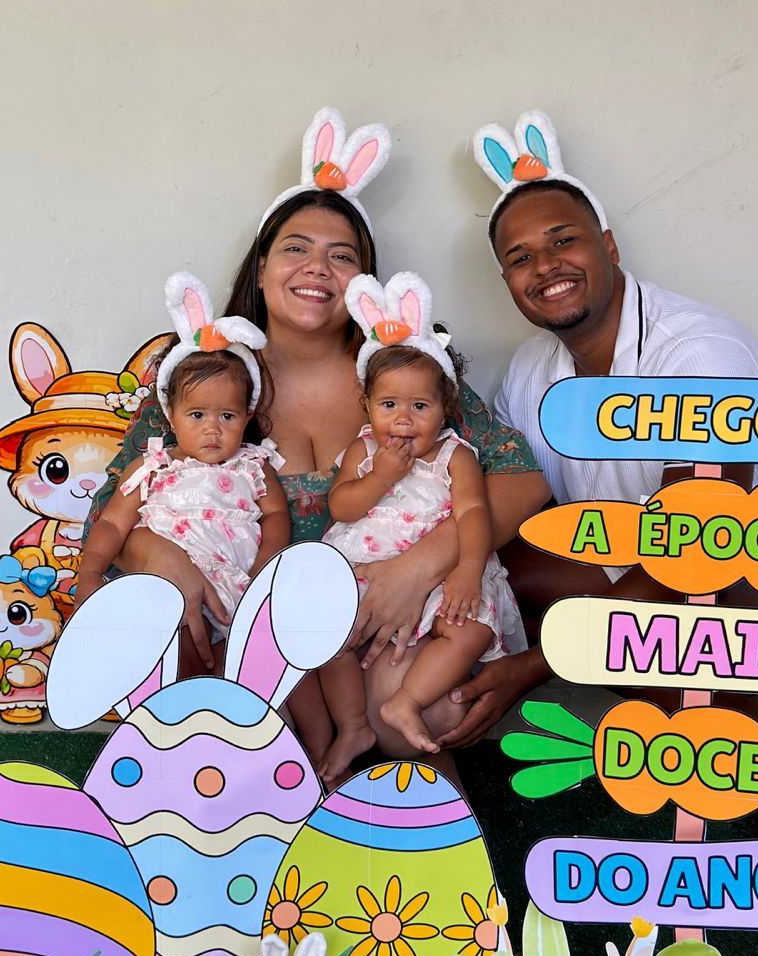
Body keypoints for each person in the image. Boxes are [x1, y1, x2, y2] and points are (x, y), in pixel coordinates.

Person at [438, 109, 758, 835]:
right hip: (649, 566)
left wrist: (531, 667)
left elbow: (704, 552)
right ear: (506, 281)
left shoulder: (696, 350)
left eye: (563, 240)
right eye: (521, 257)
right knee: (503, 571)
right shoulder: (532, 369)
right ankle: (683, 733)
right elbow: (521, 518)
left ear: (608, 245)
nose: (545, 266)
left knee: (703, 601)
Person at [82, 107, 549, 770]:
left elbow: (522, 480)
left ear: (365, 285)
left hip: (383, 621)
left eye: (342, 256)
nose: (317, 268)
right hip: (249, 622)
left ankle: (424, 829)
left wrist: (419, 566)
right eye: (296, 248)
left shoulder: (400, 371)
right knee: (216, 712)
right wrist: (160, 554)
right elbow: (120, 505)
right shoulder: (210, 373)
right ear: (261, 266)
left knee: (428, 707)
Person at [318, 272, 524, 773]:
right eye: (389, 405)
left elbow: (473, 512)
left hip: (440, 577)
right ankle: (351, 728)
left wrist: (468, 569)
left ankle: (406, 702)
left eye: (420, 406)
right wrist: (380, 477)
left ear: (445, 408)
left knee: (472, 632)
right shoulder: (364, 450)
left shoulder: (456, 455)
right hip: (364, 568)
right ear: (368, 405)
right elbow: (342, 507)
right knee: (328, 639)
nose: (404, 419)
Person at [74, 274, 289, 632]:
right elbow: (112, 523)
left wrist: (264, 570)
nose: (212, 428)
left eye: (227, 416)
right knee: (175, 645)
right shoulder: (152, 467)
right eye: (197, 415)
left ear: (247, 415)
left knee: (230, 656)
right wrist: (90, 572)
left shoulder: (253, 466)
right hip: (164, 587)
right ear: (171, 417)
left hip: (237, 592)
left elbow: (276, 515)